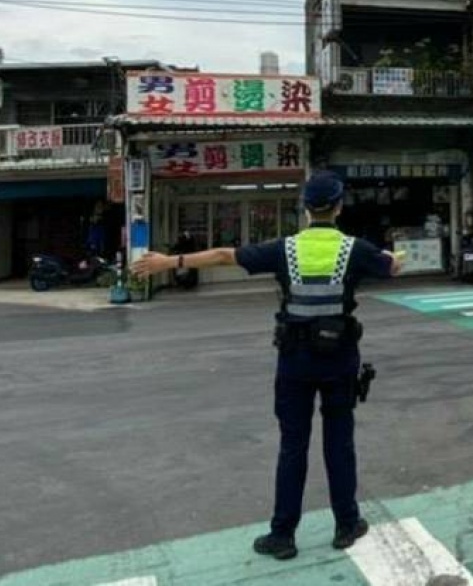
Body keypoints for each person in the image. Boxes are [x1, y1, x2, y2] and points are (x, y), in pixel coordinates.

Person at [132, 171, 401, 560]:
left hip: (294, 362)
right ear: (339, 207)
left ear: (306, 208)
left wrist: (169, 262)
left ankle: (283, 534)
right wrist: (391, 258)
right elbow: (389, 267)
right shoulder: (355, 249)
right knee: (339, 443)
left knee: (293, 446)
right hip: (339, 359)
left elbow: (225, 255)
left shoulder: (284, 249)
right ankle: (347, 525)